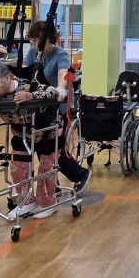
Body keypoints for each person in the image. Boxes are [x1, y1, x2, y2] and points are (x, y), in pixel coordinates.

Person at [0, 61, 62, 219]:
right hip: (21, 134)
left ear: (8, 78)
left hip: (47, 131)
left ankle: (48, 203)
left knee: (46, 168)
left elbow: (54, 92)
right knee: (18, 168)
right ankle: (26, 201)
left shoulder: (27, 86)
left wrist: (31, 96)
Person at [24, 21, 92, 195]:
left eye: (37, 40)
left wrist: (60, 88)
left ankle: (80, 174)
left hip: (59, 105)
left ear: (49, 38)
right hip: (39, 104)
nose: (34, 44)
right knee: (39, 144)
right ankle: (52, 184)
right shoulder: (33, 53)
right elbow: (25, 72)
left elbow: (63, 73)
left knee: (53, 147)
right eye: (32, 40)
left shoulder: (60, 54)